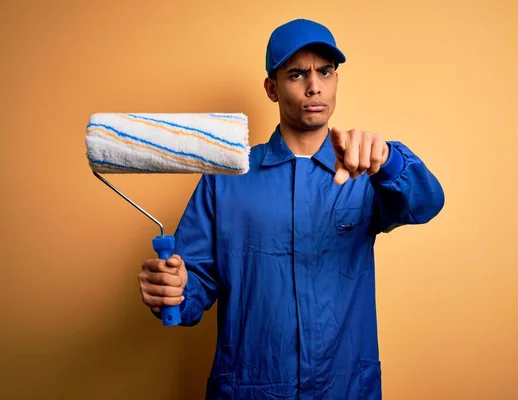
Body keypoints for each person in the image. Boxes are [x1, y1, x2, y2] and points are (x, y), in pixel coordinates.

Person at [138, 18, 444, 400]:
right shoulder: (226, 178)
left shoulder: (366, 170)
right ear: (272, 87)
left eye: (326, 72)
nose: (314, 86)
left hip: (345, 389)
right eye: (297, 74)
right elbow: (193, 288)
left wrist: (391, 159)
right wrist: (174, 290)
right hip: (250, 390)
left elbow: (427, 203)